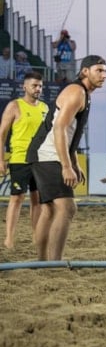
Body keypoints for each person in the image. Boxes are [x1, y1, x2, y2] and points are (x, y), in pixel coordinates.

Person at [27, 55, 106, 261]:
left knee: (49, 210)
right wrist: (66, 166)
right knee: (67, 208)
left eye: (105, 71)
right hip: (47, 153)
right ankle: (53, 264)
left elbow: (71, 133)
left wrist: (74, 162)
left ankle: (43, 262)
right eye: (99, 70)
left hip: (44, 153)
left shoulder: (84, 94)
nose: (104, 75)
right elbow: (59, 129)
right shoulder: (76, 92)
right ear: (85, 71)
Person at [0, 72, 47, 249]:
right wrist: (1, 160)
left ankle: (36, 237)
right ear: (24, 87)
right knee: (17, 198)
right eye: (34, 85)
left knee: (37, 199)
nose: (38, 89)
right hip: (20, 159)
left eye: (40, 86)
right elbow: (2, 134)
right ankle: (9, 239)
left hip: (40, 160)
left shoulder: (45, 108)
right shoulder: (14, 106)